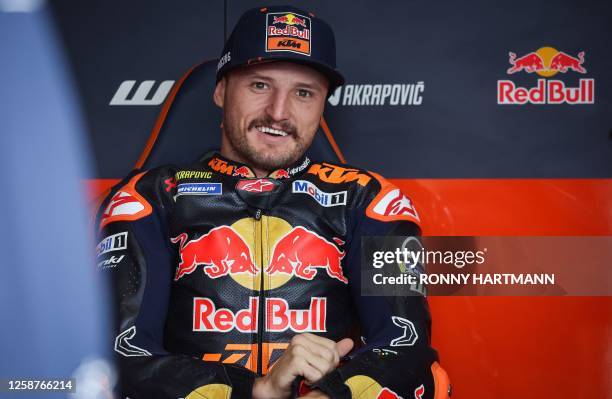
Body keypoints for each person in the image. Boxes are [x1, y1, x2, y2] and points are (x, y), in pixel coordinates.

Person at [96, 5, 449, 399]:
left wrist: (333, 394)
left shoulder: (369, 200)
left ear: (322, 103)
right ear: (220, 90)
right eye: (260, 85)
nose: (279, 113)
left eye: (303, 92)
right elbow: (119, 356)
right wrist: (258, 391)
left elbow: (408, 348)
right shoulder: (149, 197)